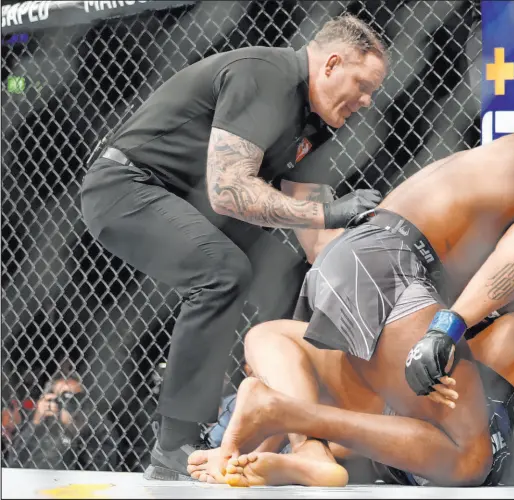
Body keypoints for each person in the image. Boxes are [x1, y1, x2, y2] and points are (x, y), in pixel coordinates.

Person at [185, 129, 514, 486]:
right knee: (471, 458)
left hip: (350, 257)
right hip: (394, 271)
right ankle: (283, 418)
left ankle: (305, 448)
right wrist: (447, 326)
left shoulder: (465, 176)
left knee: (268, 334)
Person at [79, 14, 388, 480]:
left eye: (373, 92)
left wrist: (366, 302)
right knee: (223, 272)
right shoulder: (268, 76)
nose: (367, 101)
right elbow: (229, 189)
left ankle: (289, 416)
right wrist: (330, 213)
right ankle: (173, 445)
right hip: (127, 186)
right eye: (363, 85)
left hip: (186, 201)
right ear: (331, 64)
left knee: (278, 272)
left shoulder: (316, 120)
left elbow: (311, 227)